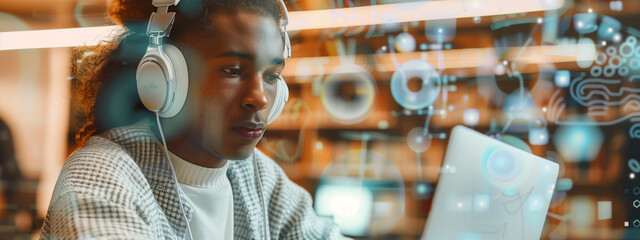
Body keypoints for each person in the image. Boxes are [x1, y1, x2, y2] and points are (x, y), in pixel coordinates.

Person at [40, 0, 346, 239]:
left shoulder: (256, 177)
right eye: (233, 70)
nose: (261, 98)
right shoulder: (100, 175)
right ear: (162, 78)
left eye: (271, 76)